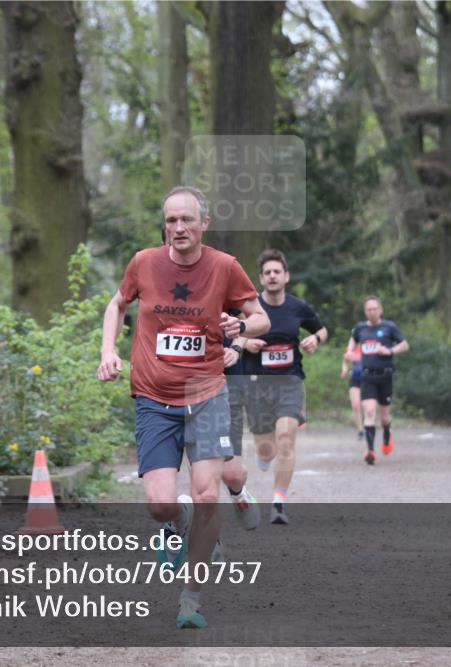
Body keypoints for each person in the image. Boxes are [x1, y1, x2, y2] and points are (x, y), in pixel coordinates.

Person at [97, 186, 269, 629]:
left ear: (203, 224)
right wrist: (107, 351)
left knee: (209, 492)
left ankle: (190, 599)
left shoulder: (225, 267)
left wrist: (241, 324)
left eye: (187, 220)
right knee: (159, 504)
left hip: (206, 393)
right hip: (154, 398)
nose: (178, 228)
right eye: (171, 220)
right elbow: (116, 305)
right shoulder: (143, 263)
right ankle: (178, 521)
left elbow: (261, 317)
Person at [233, 249, 327, 525]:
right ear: (261, 279)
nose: (272, 276)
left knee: (286, 436)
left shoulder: (298, 307)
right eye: (267, 273)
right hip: (257, 383)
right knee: (266, 448)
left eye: (277, 272)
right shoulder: (249, 308)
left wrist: (315, 340)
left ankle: (278, 502)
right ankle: (265, 456)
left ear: (286, 276)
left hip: (290, 382)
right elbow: (234, 335)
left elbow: (321, 329)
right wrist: (246, 343)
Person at [345, 296, 409, 465]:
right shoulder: (360, 328)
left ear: (380, 310)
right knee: (369, 411)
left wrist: (389, 350)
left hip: (385, 375)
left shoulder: (389, 327)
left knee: (385, 416)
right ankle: (370, 451)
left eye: (374, 309)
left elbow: (404, 345)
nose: (371, 312)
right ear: (365, 311)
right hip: (367, 375)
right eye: (368, 309)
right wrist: (350, 351)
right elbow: (353, 340)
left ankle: (387, 432)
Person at [222, 310, 260, 531]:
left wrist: (238, 346)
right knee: (200, 482)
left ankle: (239, 495)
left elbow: (256, 316)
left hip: (230, 385)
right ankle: (205, 543)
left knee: (232, 475)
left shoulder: (230, 278)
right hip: (189, 387)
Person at [340, 345, 364, 441]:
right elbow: (345, 362)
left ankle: (369, 426)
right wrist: (344, 371)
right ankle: (360, 431)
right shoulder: (350, 348)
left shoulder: (367, 345)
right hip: (354, 379)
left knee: (366, 405)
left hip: (368, 379)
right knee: (355, 405)